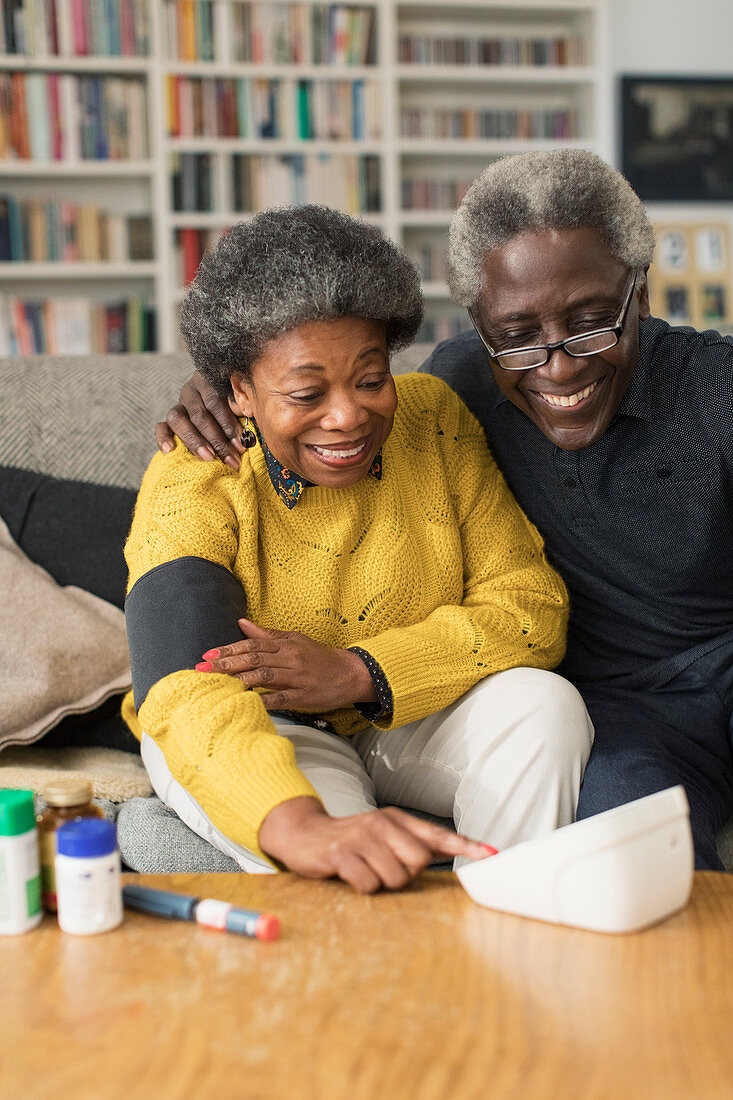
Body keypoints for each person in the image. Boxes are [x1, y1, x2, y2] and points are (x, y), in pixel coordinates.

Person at [160, 152, 733, 872]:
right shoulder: (458, 386)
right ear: (479, 326)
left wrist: (359, 671)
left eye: (591, 324)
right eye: (517, 335)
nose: (557, 367)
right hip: (626, 714)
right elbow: (322, 378)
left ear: (639, 297)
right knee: (635, 871)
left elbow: (524, 602)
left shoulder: (716, 390)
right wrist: (227, 381)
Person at [126, 205, 592, 893]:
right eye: (306, 392)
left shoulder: (432, 418)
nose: (347, 416)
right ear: (240, 391)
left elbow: (529, 606)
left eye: (371, 380)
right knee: (352, 876)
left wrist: (358, 672)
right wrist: (301, 826)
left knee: (543, 705)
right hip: (270, 727)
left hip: (411, 714)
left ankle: (510, 924)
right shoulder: (193, 473)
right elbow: (183, 688)